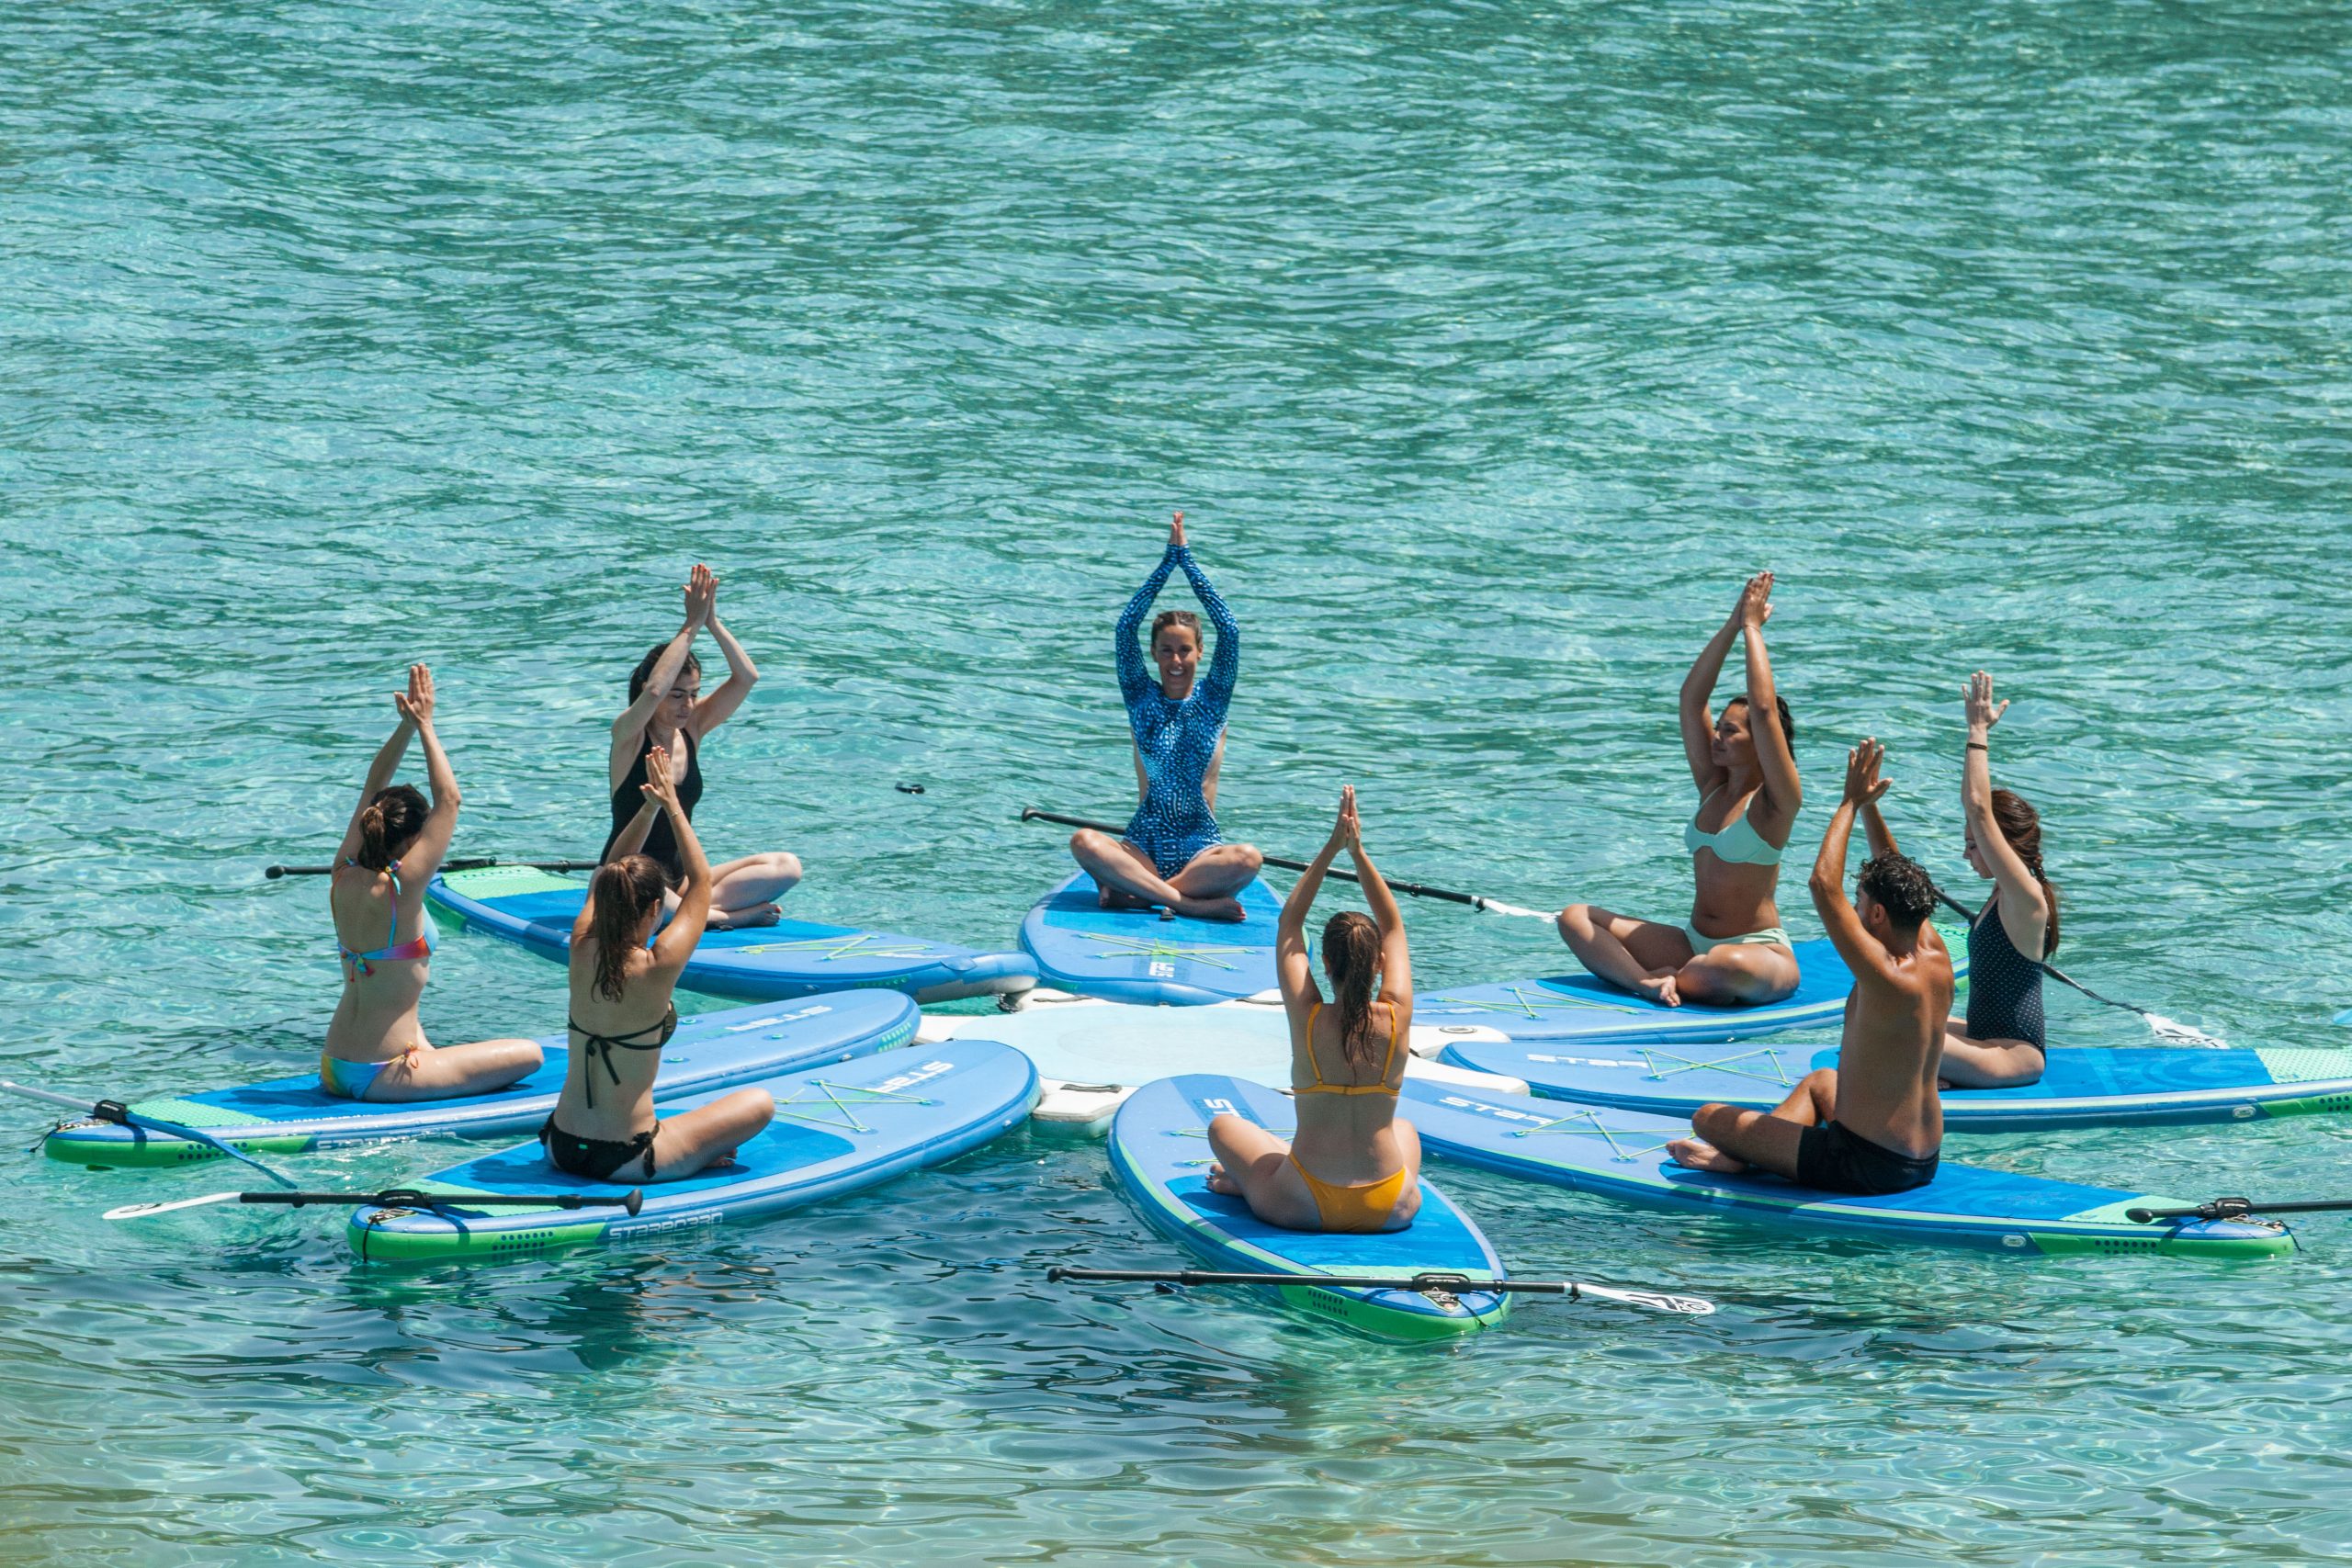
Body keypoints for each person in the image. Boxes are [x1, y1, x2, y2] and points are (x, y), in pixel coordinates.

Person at [1666, 739, 1954, 1196]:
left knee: (1708, 1118)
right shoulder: (1932, 953)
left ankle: (1736, 1157)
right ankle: (1747, 1157)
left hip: (1865, 1165)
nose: (1855, 913)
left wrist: (1849, 802)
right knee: (1823, 1081)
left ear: (1878, 915)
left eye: (1861, 906)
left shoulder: (1885, 975)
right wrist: (1870, 809)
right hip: (1923, 1158)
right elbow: (1892, 868)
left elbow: (1823, 885)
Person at [1557, 572, 1803, 1007]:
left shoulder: (1775, 803)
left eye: (1730, 731)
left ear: (1761, 743)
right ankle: (1646, 981)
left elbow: (1764, 710)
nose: (1717, 737)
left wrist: (1752, 629)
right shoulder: (1713, 785)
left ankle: (1677, 977)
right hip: (1692, 943)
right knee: (1575, 918)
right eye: (1719, 729)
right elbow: (1692, 699)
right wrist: (1731, 624)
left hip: (1757, 952)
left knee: (1724, 964)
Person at [544, 745, 775, 1182]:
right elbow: (702, 881)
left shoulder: (580, 946)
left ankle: (688, 1151)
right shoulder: (657, 964)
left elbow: (608, 868)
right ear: (654, 910)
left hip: (560, 1147)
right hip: (631, 1159)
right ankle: (690, 1156)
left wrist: (648, 809)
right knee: (759, 1103)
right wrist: (672, 806)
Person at [1205, 786, 1421, 1233]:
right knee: (1405, 1129)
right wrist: (1358, 853)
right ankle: (1258, 1180)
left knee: (1223, 1126)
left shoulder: (1308, 1018)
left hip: (1301, 1202)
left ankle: (1249, 1185)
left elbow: (1290, 926)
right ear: (1379, 963)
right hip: (1391, 1206)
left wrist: (1330, 850)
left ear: (1324, 962)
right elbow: (1394, 927)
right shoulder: (1397, 1015)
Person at [323, 665, 543, 1101]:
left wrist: (404, 728)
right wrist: (425, 726)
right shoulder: (399, 891)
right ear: (411, 840)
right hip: (383, 1073)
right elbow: (451, 800)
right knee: (530, 1055)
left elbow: (373, 784)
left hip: (334, 1063)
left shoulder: (341, 875)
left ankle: (422, 1053)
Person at [1860, 671, 2059, 1087]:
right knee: (1882, 1016)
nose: (1967, 854)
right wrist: (1866, 807)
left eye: (1974, 844)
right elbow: (1895, 872)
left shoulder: (2027, 898)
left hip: (2011, 1056)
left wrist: (1977, 731)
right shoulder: (2000, 896)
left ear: (1999, 844)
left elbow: (1979, 807)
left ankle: (1935, 1075)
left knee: (1892, 1039)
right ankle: (1936, 1074)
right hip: (1980, 1041)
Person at [1068, 513, 1264, 921]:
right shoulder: (1140, 698)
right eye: (1166, 650)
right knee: (1084, 841)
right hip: (1143, 845)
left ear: (1199, 652)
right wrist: (1165, 565)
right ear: (1154, 654)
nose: (1176, 660)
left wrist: (1186, 560)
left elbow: (1230, 629)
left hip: (1200, 851)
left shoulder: (1213, 700)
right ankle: (1185, 904)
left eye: (1184, 650)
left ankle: (1138, 893)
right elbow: (1126, 628)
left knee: (1248, 859)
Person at [603, 562, 801, 930]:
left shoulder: (691, 729)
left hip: (681, 882)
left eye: (693, 694)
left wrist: (711, 622)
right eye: (678, 695)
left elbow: (747, 677)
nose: (688, 705)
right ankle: (724, 918)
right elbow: (654, 689)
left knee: (787, 866)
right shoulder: (628, 735)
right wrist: (690, 626)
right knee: (647, 894)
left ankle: (697, 913)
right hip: (630, 881)